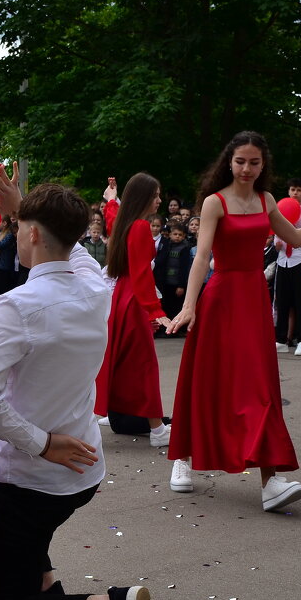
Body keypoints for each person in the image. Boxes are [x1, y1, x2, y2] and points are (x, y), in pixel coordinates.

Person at [0, 178, 160, 600]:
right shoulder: (96, 284)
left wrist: (41, 442)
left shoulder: (17, 305)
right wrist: (22, 210)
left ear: (30, 235)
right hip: (84, 471)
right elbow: (70, 254)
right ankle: (45, 575)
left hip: (37, 479)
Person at [165, 131, 301, 511]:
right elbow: (201, 255)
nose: (246, 168)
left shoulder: (266, 200)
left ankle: (270, 479)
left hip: (254, 299)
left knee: (259, 387)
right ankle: (183, 458)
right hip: (221, 298)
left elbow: (295, 235)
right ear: (229, 161)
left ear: (263, 165)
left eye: (254, 162)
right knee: (207, 379)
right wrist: (190, 305)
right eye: (240, 161)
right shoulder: (214, 202)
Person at [95, 173, 173, 450]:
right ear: (143, 198)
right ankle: (157, 429)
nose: (160, 200)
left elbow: (113, 217)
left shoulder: (124, 224)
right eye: (156, 195)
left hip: (122, 299)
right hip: (134, 301)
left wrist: (111, 199)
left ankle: (101, 416)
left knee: (123, 365)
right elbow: (142, 274)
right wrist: (155, 310)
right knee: (143, 367)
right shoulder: (139, 227)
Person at [273, 178, 301, 356]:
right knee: (281, 302)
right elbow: (277, 231)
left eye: (299, 190)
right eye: (292, 189)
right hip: (283, 260)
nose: (295, 193)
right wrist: (277, 243)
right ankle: (281, 339)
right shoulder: (280, 209)